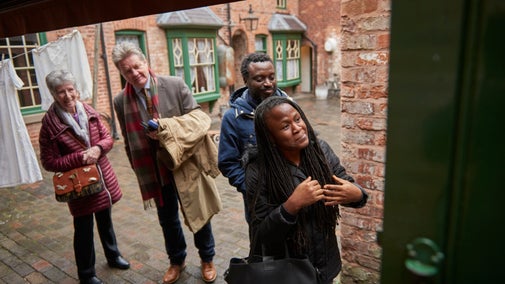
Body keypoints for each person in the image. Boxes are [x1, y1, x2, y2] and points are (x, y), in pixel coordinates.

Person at [111, 42, 219, 284]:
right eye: (127, 71)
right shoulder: (120, 101)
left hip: (184, 163)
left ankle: (207, 258)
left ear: (145, 62)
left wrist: (168, 128)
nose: (135, 74)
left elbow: (199, 118)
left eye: (137, 67)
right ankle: (176, 261)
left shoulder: (174, 84)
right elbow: (129, 140)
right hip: (153, 169)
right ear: (121, 72)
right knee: (167, 219)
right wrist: (137, 168)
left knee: (198, 211)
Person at [244, 96, 368, 284]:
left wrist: (357, 194)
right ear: (271, 137)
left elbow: (346, 184)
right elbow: (261, 236)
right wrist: (291, 206)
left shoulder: (321, 151)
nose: (297, 128)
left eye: (297, 119)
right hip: (289, 272)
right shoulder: (258, 171)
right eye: (285, 127)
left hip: (326, 263)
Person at [39, 70, 130, 284]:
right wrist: (80, 158)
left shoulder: (88, 110)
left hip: (102, 178)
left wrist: (98, 149)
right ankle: (87, 274)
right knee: (83, 229)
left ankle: (113, 255)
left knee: (106, 220)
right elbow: (49, 162)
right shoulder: (49, 125)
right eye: (61, 92)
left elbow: (107, 138)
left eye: (70, 89)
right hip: (78, 184)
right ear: (53, 94)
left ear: (76, 89)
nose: (68, 96)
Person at [218, 52, 288, 223]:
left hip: (291, 190)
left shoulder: (289, 107)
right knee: (263, 246)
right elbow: (227, 163)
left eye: (271, 77)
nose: (268, 83)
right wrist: (252, 188)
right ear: (245, 80)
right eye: (259, 79)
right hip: (258, 202)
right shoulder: (233, 118)